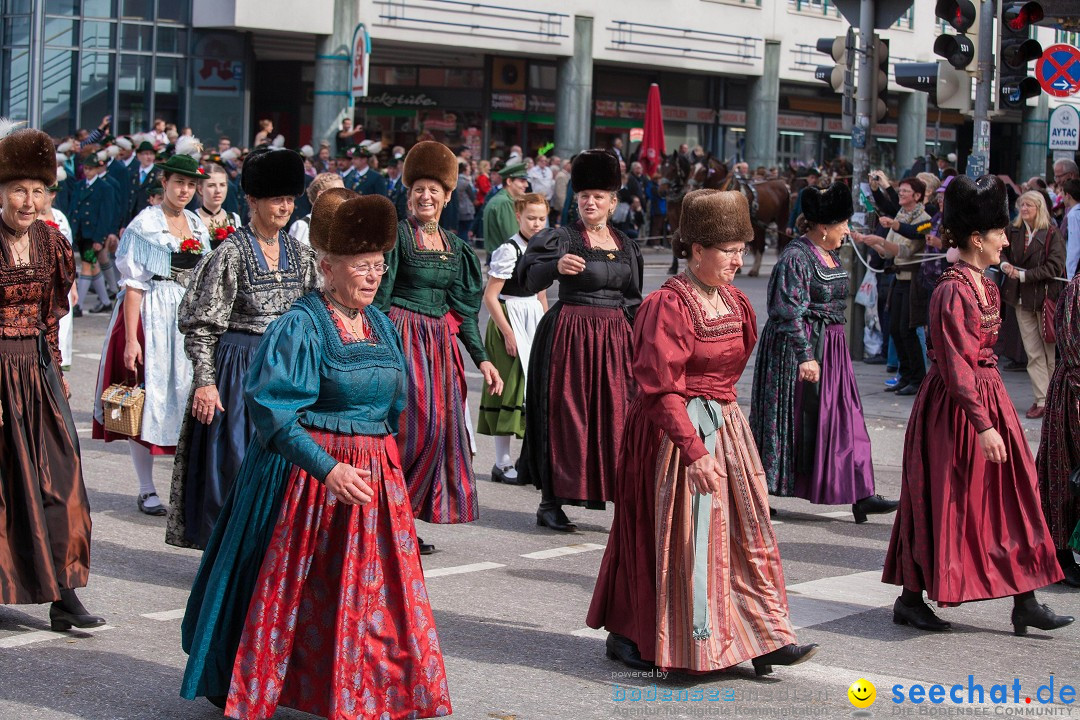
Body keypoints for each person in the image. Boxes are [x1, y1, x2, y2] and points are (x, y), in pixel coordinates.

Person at [180, 192, 451, 717]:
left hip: (370, 482)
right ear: (327, 267)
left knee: (371, 597)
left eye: (378, 265)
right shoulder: (300, 325)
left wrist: (386, 470)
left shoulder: (382, 326)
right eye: (361, 266)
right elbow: (273, 410)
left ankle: (364, 687)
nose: (373, 277)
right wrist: (327, 466)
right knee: (285, 589)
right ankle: (255, 677)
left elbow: (394, 406)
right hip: (304, 478)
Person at [587, 189, 817, 675]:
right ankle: (637, 633)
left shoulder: (735, 302)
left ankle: (764, 634)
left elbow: (733, 368)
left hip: (727, 428)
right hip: (672, 436)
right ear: (696, 251)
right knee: (675, 537)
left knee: (745, 533)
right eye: (728, 250)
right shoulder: (666, 305)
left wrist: (723, 426)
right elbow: (658, 388)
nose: (738, 260)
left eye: (741, 249)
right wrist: (693, 449)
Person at [883, 175, 1073, 635]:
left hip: (987, 401)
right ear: (976, 239)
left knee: (1014, 497)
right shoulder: (953, 290)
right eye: (999, 234)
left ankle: (1025, 598)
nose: (1006, 240)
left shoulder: (984, 283)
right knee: (944, 502)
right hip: (956, 410)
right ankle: (910, 599)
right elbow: (954, 365)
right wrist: (984, 425)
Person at [166, 148, 319, 550]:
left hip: (287, 374)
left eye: (289, 198)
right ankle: (228, 557)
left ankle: (271, 555)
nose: (285, 206)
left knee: (287, 466)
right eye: (275, 199)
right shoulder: (229, 255)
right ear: (252, 201)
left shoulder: (303, 256)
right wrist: (205, 382)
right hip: (238, 373)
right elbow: (200, 325)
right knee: (232, 466)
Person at [0, 126, 104, 632]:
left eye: (38, 190)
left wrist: (57, 369)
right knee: (4, 487)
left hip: (37, 371)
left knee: (62, 480)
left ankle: (67, 594)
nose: (29, 200)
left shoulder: (53, 242)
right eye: (19, 189)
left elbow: (51, 315)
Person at [375, 141, 502, 554]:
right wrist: (374, 347)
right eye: (418, 190)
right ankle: (387, 519)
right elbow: (379, 297)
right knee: (406, 431)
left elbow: (464, 312)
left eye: (434, 190)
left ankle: (401, 518)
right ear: (408, 194)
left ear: (448, 197)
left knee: (436, 433)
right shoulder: (396, 237)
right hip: (400, 337)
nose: (425, 197)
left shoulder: (457, 248)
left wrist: (482, 360)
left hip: (438, 349)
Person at [751, 183, 897, 523]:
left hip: (832, 348)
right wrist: (805, 356)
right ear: (823, 227)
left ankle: (861, 493)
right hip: (798, 350)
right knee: (784, 421)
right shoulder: (795, 257)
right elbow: (787, 311)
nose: (848, 230)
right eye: (843, 224)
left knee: (846, 420)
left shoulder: (828, 253)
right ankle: (757, 491)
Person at [519, 150, 643, 531]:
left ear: (613, 202)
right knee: (567, 418)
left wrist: (641, 344)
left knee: (617, 418)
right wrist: (554, 267)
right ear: (576, 199)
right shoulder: (562, 237)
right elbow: (523, 279)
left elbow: (634, 298)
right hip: (569, 337)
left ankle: (623, 498)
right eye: (584, 195)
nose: (591, 202)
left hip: (615, 340)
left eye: (599, 196)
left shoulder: (625, 242)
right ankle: (550, 502)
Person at [92, 154, 212, 516]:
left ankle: (183, 488)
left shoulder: (195, 222)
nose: (185, 190)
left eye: (191, 185)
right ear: (164, 182)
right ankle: (146, 488)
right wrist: (131, 339)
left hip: (185, 314)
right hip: (151, 312)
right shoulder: (144, 224)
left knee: (184, 396)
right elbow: (132, 285)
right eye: (179, 183)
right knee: (146, 399)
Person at [478, 193, 550, 484]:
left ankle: (527, 461)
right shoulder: (509, 250)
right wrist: (508, 332)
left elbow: (542, 292)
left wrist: (547, 327)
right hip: (509, 317)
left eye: (541, 218)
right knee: (507, 388)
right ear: (518, 216)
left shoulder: (542, 247)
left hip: (532, 316)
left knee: (530, 390)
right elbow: (490, 297)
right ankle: (502, 463)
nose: (536, 223)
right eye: (530, 217)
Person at [855, 177, 932, 397]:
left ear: (917, 196)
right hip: (898, 277)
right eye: (901, 191)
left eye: (905, 192)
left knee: (907, 329)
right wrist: (875, 243)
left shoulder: (924, 219)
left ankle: (917, 379)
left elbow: (906, 250)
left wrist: (878, 242)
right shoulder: (901, 214)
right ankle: (906, 376)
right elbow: (890, 250)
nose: (901, 194)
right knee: (896, 330)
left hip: (913, 280)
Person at [999, 191, 1065, 420]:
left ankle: (1052, 399)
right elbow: (999, 251)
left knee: (1048, 352)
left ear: (1039, 207)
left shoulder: (1052, 233)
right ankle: (1043, 399)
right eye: (1021, 204)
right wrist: (1004, 264)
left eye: (1029, 205)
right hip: (1020, 299)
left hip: (1044, 298)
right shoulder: (1013, 230)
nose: (1024, 208)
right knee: (1033, 351)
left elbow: (1055, 267)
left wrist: (1024, 276)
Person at [1036, 271, 1080, 588]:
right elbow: (1070, 342)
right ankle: (1060, 556)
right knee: (1064, 476)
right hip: (1072, 395)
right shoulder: (1077, 289)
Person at [482, 161, 529, 256]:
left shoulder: (499, 199)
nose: (526, 185)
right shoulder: (505, 202)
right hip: (505, 260)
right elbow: (513, 237)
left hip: (499, 257)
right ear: (509, 181)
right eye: (522, 181)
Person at [287, 172, 344, 246]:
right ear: (321, 195)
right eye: (339, 193)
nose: (344, 198)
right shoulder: (303, 226)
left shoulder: (343, 224)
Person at [195, 162, 242, 247]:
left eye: (222, 185)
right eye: (211, 185)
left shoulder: (234, 219)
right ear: (200, 189)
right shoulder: (192, 219)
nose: (218, 190)